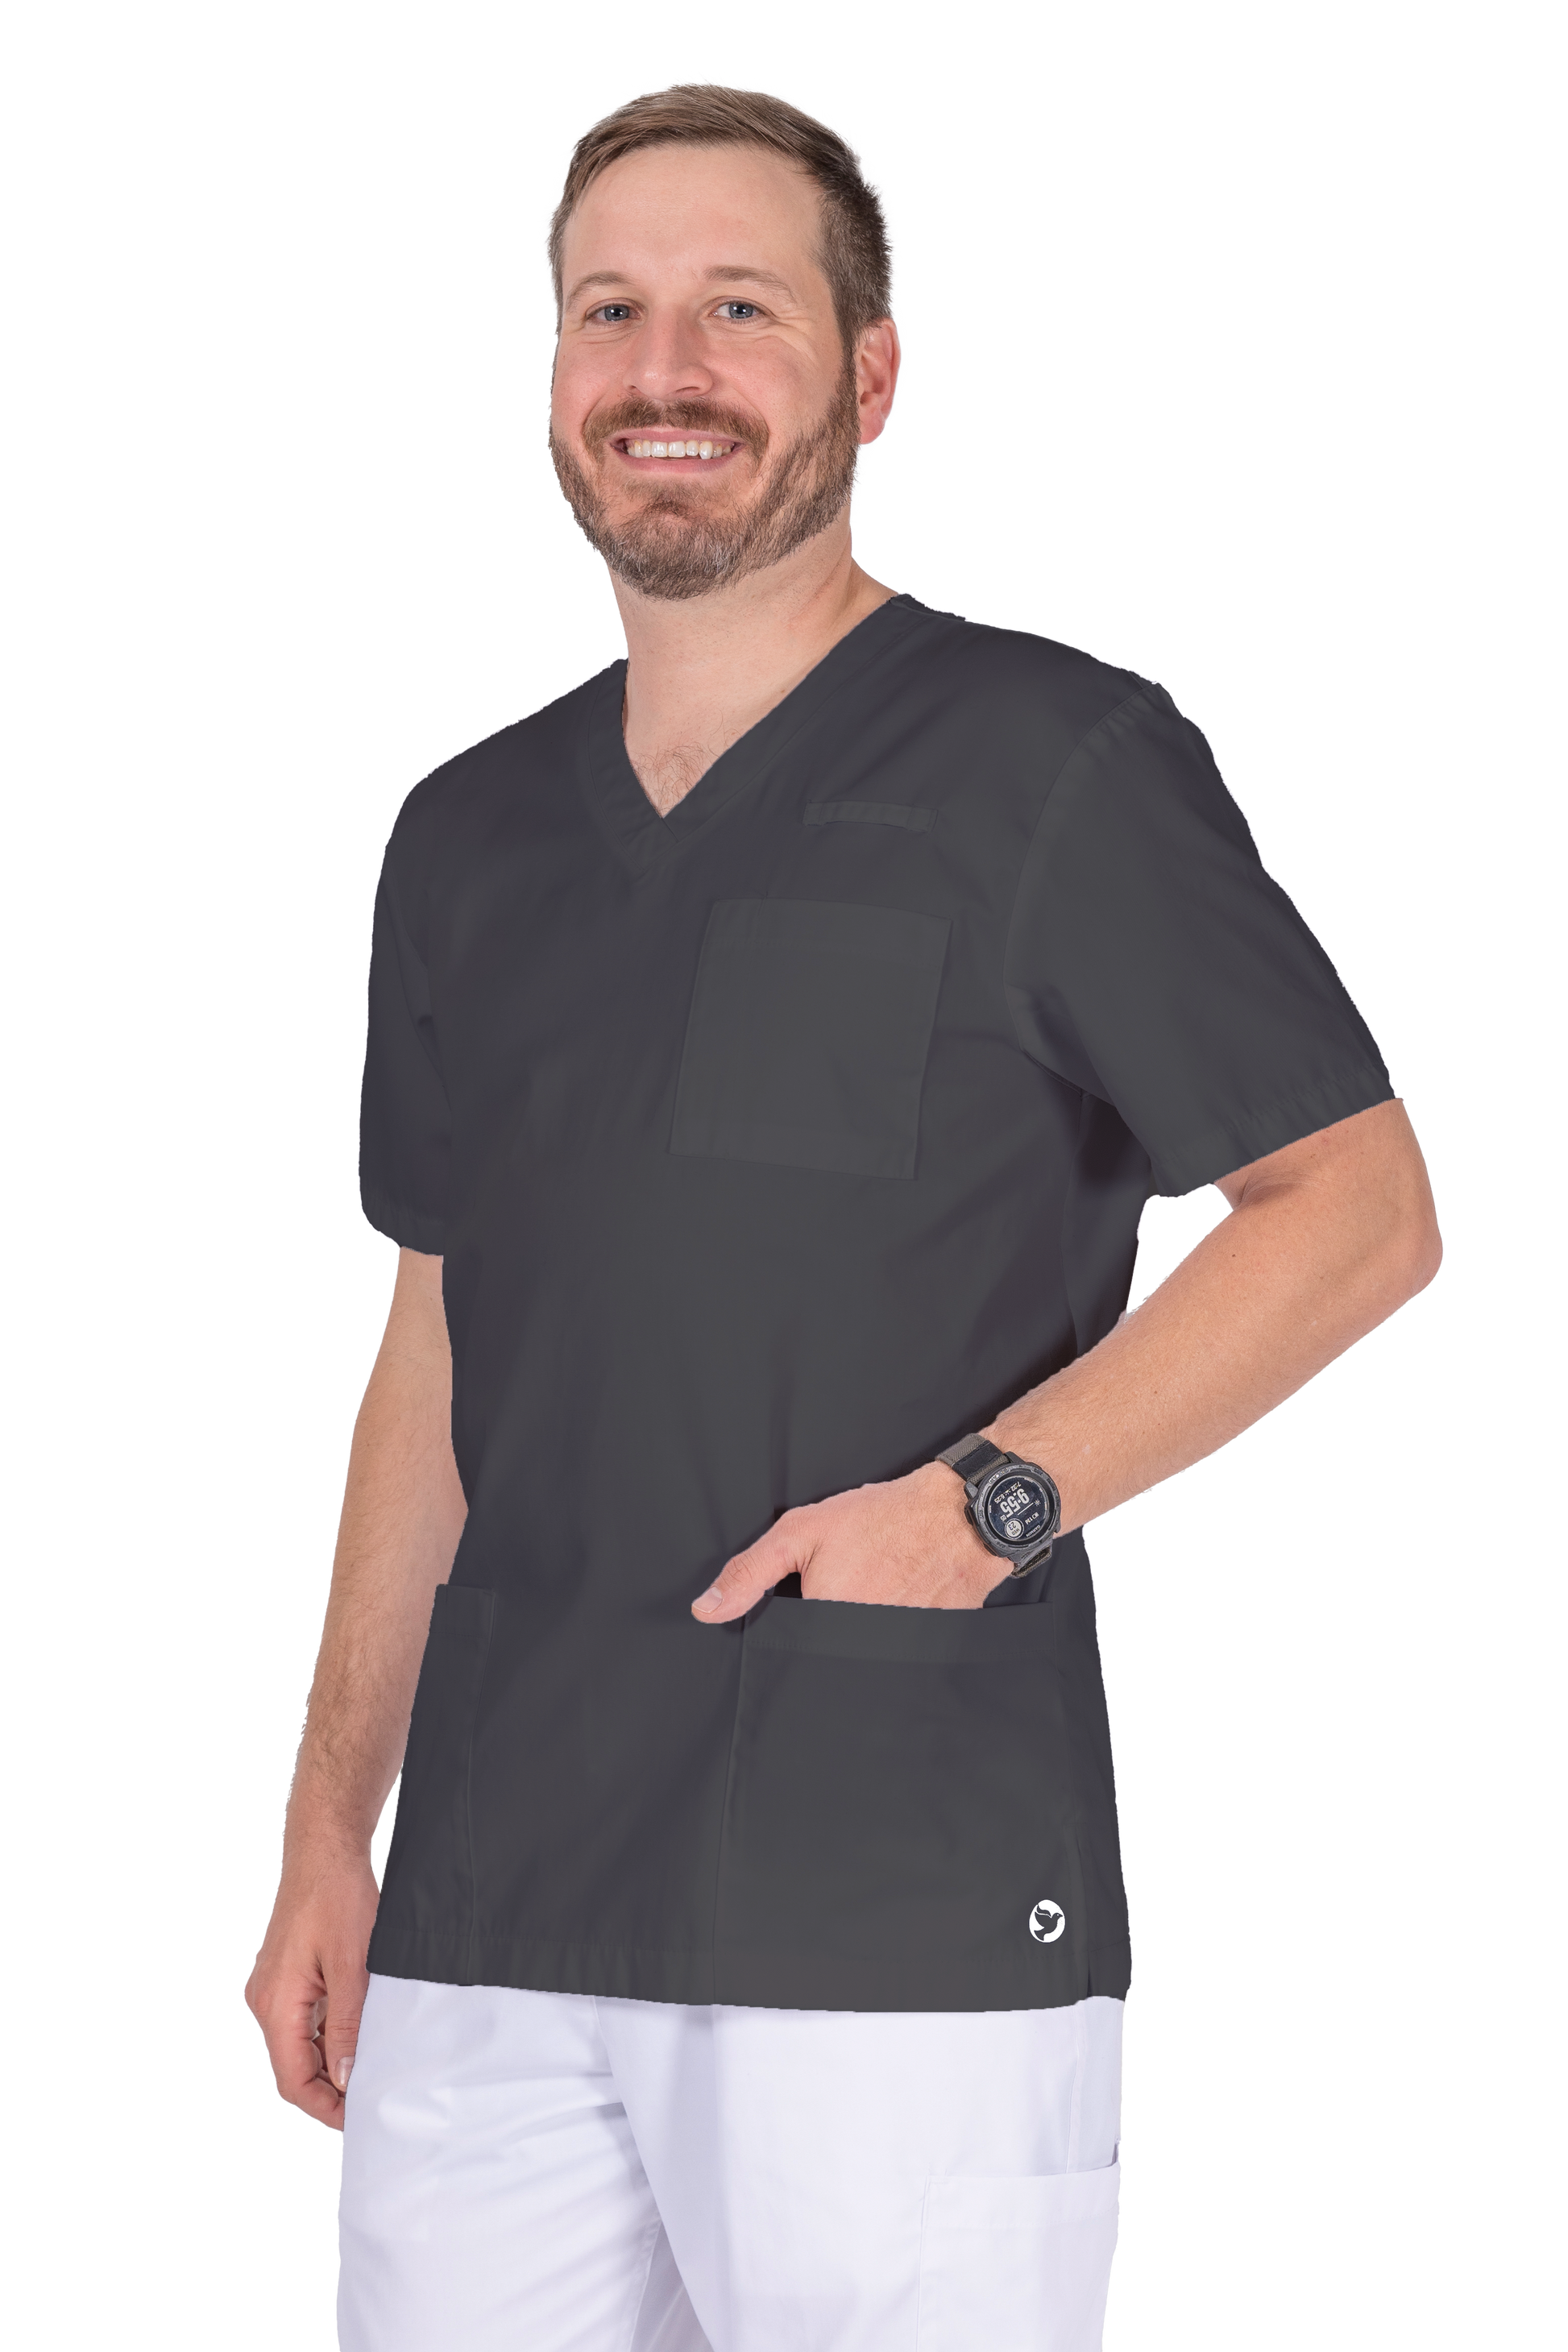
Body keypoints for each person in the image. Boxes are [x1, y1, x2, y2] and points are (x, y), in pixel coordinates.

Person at [243, 71, 1444, 2352]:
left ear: (872, 372)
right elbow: (440, 1337)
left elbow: (1358, 1206)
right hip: (489, 1914)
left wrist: (990, 1503)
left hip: (881, 1903)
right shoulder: (465, 835)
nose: (665, 369)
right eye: (610, 310)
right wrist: (328, 1822)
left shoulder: (1055, 760)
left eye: (739, 307)